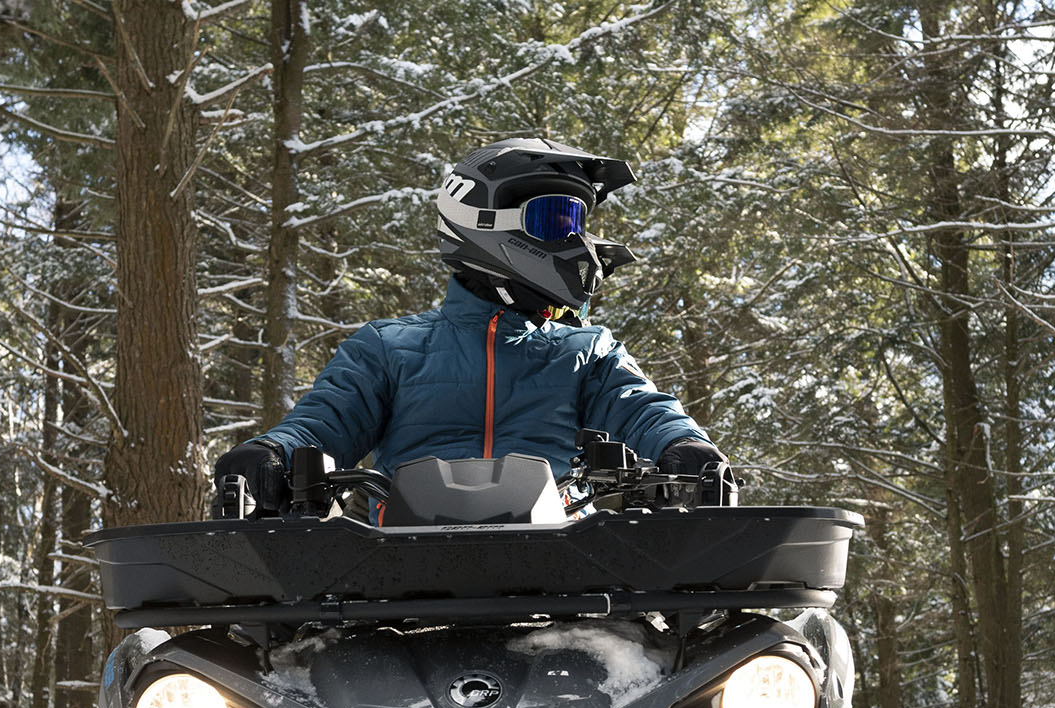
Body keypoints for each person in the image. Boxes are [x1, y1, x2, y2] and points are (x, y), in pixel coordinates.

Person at [212, 138, 729, 513]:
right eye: (556, 220)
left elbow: (642, 408)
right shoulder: (387, 348)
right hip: (393, 576)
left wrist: (683, 445)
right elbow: (324, 424)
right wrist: (271, 452)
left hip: (570, 571)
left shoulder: (587, 350)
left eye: (577, 224)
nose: (576, 240)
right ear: (481, 220)